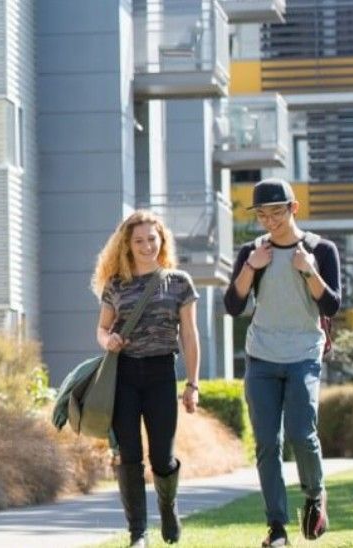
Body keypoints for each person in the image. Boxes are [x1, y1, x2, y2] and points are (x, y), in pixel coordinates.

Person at [223, 178, 338, 547]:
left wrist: (308, 270)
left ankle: (315, 494)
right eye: (262, 214)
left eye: (276, 212)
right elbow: (233, 306)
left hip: (304, 354)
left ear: (293, 209)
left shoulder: (321, 249)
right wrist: (250, 267)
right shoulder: (251, 251)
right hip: (261, 357)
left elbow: (331, 305)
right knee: (267, 444)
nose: (269, 220)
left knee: (302, 434)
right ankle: (277, 528)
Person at [93, 210, 201, 548]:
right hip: (123, 376)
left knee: (162, 458)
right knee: (129, 455)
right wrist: (108, 340)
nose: (146, 246)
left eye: (151, 239)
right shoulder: (115, 285)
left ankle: (167, 507)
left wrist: (193, 384)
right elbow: (101, 329)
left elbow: (190, 335)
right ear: (127, 245)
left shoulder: (179, 282)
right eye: (138, 240)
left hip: (160, 374)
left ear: (162, 240)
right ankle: (138, 532)